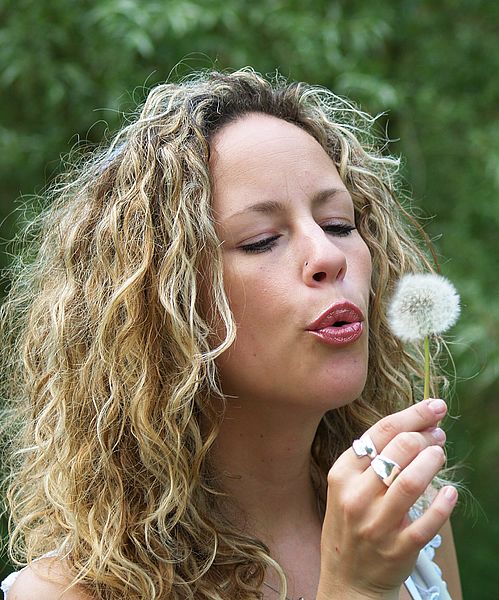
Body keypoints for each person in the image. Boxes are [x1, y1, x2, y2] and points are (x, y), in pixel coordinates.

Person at [0, 68, 463, 600]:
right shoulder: (72, 592)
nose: (331, 256)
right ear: (163, 304)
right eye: (263, 240)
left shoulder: (407, 519)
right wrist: (355, 588)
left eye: (339, 223)